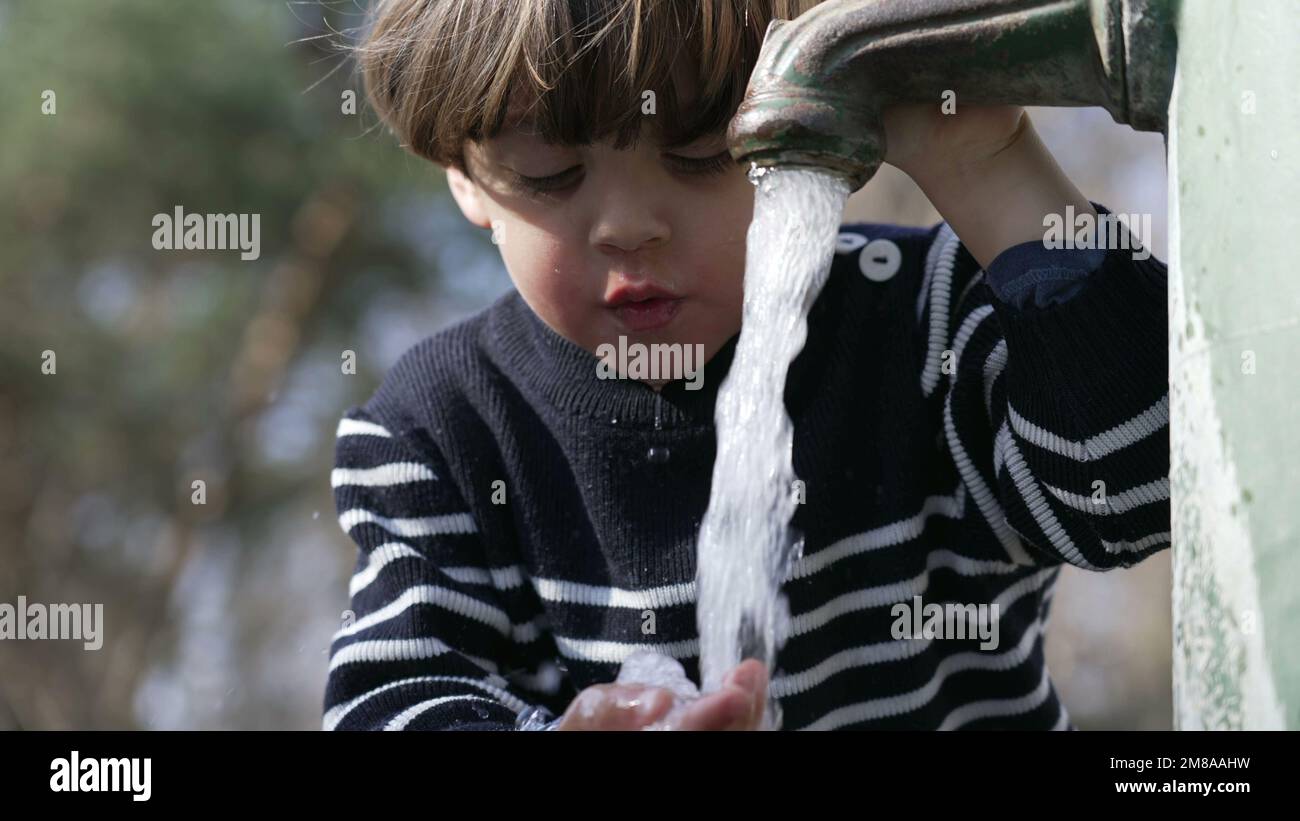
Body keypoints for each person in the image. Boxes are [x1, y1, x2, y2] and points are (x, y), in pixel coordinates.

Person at [323, 0, 1169, 731]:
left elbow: (1142, 492)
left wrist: (986, 165)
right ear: (465, 177)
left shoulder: (927, 317)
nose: (627, 226)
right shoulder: (443, 426)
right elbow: (392, 697)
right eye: (550, 175)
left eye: (698, 154)